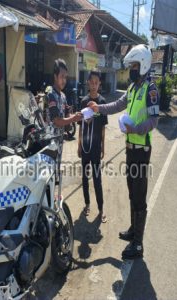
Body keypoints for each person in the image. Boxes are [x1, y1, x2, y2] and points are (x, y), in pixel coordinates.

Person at [88, 44, 159, 259]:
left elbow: (154, 120)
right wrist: (99, 108)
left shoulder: (150, 89)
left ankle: (138, 244)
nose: (132, 69)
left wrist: (135, 129)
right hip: (130, 149)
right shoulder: (133, 88)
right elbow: (118, 105)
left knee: (139, 196)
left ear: (144, 65)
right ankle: (133, 230)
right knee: (132, 192)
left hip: (141, 150)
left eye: (135, 65)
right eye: (131, 66)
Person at [78, 71, 108, 223]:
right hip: (85, 147)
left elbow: (103, 128)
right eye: (92, 82)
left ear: (99, 84)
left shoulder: (102, 102)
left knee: (97, 179)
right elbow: (80, 126)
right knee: (85, 177)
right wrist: (79, 145)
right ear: (88, 82)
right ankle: (87, 204)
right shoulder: (83, 101)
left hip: (96, 148)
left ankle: (101, 209)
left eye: (97, 82)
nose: (94, 85)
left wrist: (103, 147)